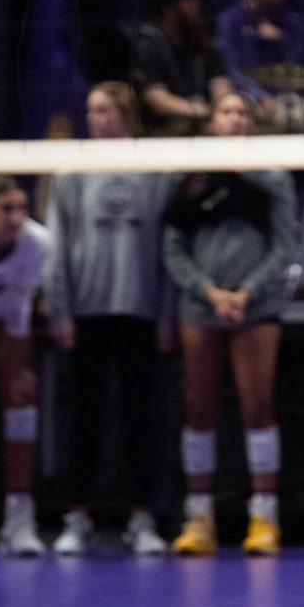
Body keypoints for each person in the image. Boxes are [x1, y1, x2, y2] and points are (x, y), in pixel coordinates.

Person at [44, 83, 177, 556]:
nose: (95, 118)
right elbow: (57, 247)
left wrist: (165, 315)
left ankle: (142, 516)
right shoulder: (70, 172)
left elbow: (167, 249)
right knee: (83, 416)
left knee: (143, 417)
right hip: (86, 312)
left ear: (125, 114)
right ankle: (77, 513)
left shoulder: (157, 170)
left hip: (140, 311)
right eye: (90, 111)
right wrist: (61, 310)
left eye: (103, 110)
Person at [162, 93, 296, 556]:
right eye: (226, 111)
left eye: (242, 111)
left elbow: (285, 246)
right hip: (202, 307)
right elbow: (173, 247)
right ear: (213, 122)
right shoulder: (192, 177)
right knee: (198, 409)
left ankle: (265, 516)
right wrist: (209, 292)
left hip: (254, 308)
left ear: (251, 123)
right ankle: (199, 517)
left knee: (257, 408)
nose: (235, 118)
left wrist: (246, 292)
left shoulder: (271, 176)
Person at [0, 177, 51, 556]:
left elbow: (19, 308)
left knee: (22, 406)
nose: (17, 218)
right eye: (7, 208)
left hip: (3, 320)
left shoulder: (36, 243)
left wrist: (18, 369)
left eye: (22, 208)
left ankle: (20, 517)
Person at [130, 0, 234, 137]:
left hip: (204, 123)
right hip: (161, 131)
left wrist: (221, 110)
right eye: (189, 2)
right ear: (169, 9)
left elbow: (221, 87)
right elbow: (157, 100)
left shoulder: (204, 44)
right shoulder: (148, 44)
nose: (197, 7)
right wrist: (201, 111)